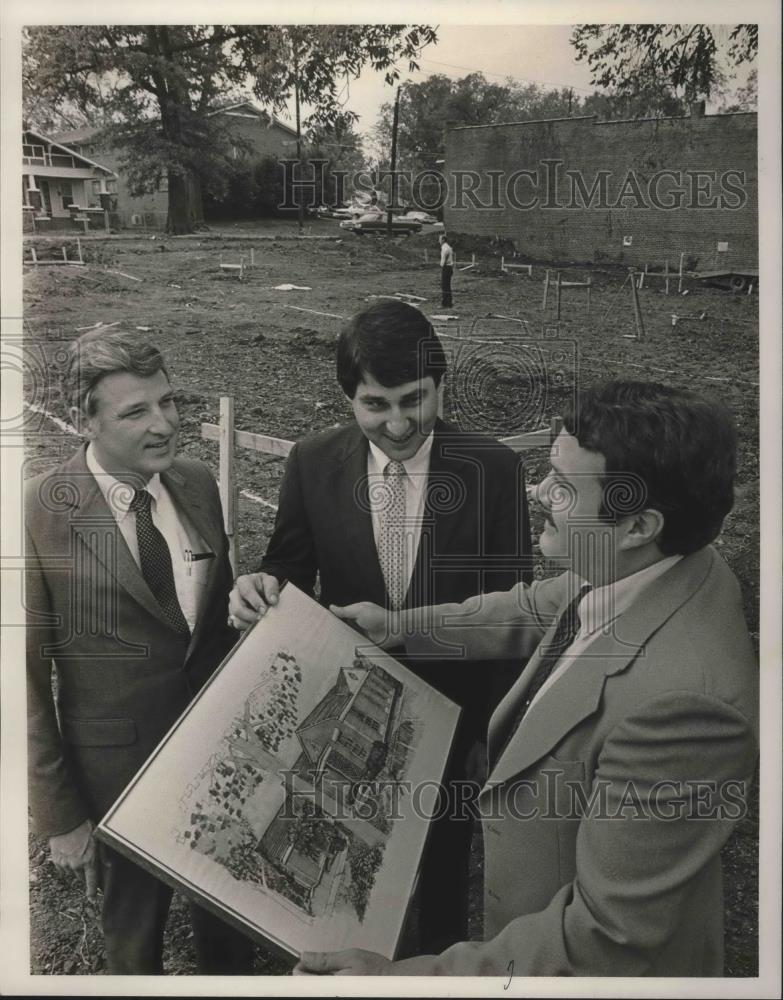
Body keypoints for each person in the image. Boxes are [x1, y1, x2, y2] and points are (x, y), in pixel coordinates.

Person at [294, 380, 759, 976]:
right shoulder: (650, 564)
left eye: (563, 487)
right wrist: (399, 626)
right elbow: (538, 606)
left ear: (639, 524)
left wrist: (400, 981)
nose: (538, 492)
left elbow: (605, 942)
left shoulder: (685, 710)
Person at [229, 299, 533, 954]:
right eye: (375, 405)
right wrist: (261, 584)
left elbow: (515, 610)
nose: (397, 424)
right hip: (345, 720)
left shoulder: (493, 470)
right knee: (348, 873)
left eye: (413, 400)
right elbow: (287, 563)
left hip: (455, 721)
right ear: (348, 399)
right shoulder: (312, 463)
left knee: (445, 872)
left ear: (440, 385)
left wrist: (491, 733)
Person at [25, 330, 255, 975]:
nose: (164, 425)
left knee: (230, 929)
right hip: (114, 777)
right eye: (135, 412)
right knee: (135, 942)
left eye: (167, 401)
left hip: (217, 756)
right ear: (84, 420)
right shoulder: (38, 511)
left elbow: (209, 620)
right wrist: (61, 814)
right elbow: (22, 686)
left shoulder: (197, 483)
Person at [439, 234, 454, 308]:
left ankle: (445, 303)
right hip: (449, 267)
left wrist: (441, 265)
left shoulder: (445, 248)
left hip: (446, 267)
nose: (439, 241)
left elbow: (443, 260)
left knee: (445, 286)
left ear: (443, 240)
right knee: (447, 286)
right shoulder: (448, 247)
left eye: (440, 239)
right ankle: (449, 303)